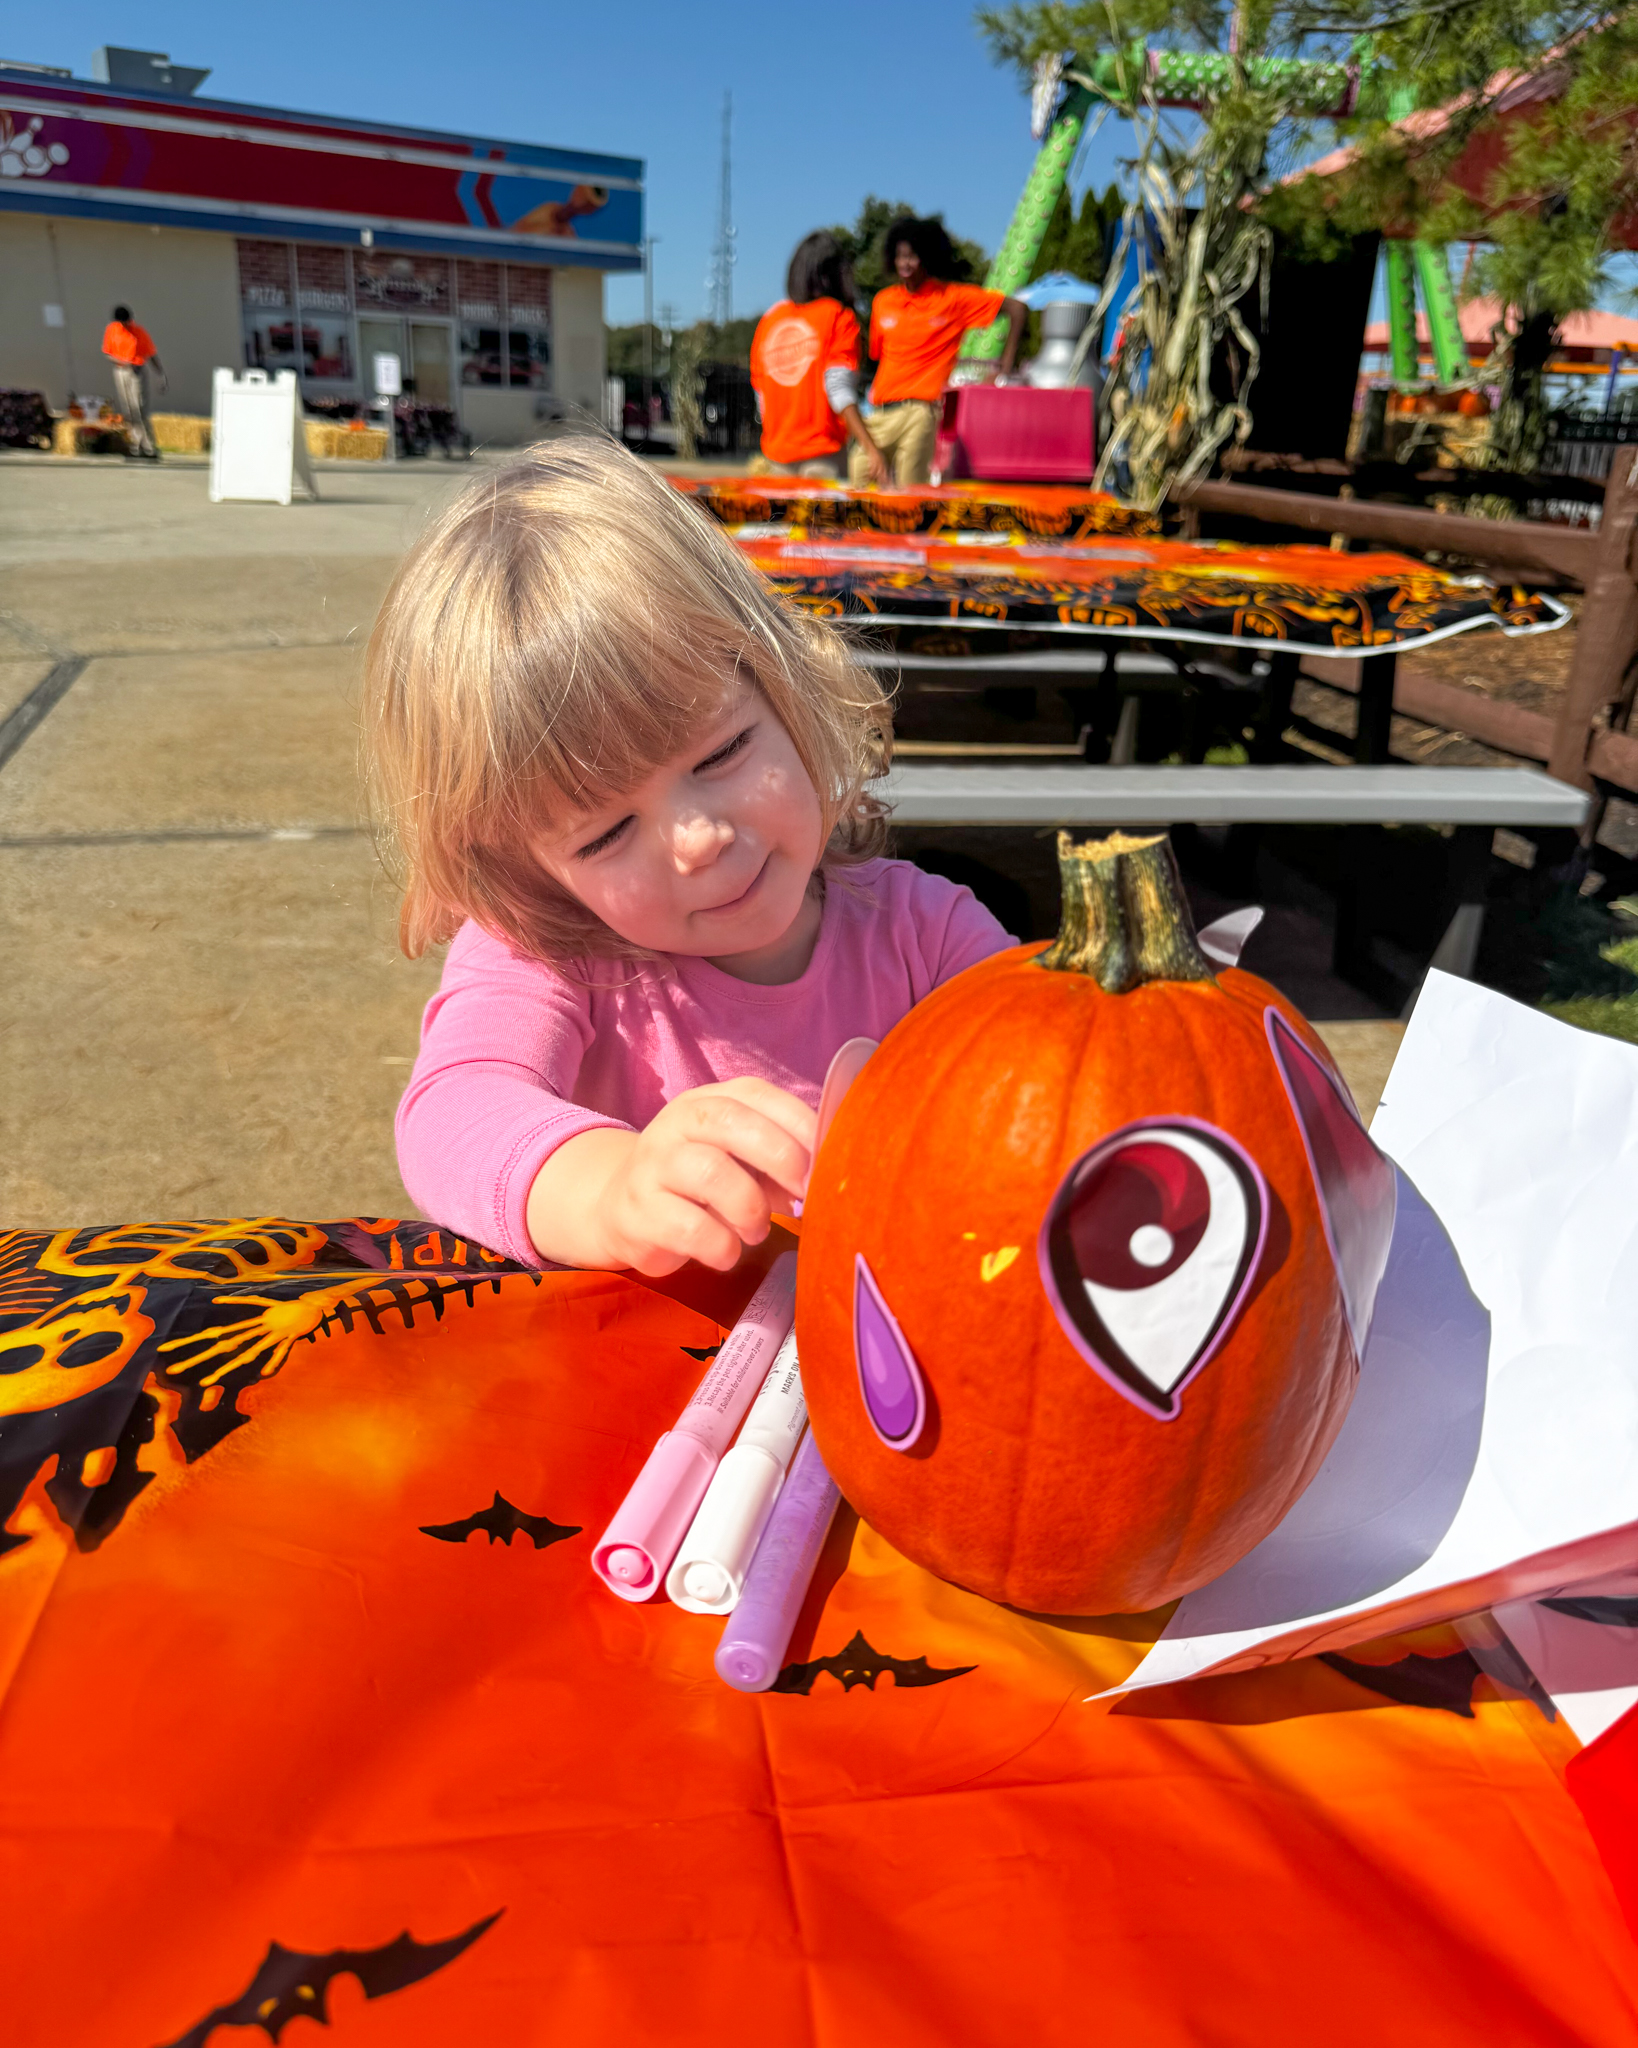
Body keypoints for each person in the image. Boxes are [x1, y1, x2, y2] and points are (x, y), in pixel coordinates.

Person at [363, 437, 1013, 1276]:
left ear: (784, 684)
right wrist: (607, 1189)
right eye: (605, 834)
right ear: (525, 866)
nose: (698, 839)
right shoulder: (554, 952)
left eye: (723, 753)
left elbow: (1056, 1080)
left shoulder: (928, 936)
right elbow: (454, 1112)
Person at [852, 217, 1026, 488]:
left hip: (921, 412)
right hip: (880, 412)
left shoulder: (952, 298)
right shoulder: (883, 301)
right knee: (857, 479)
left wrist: (1004, 369)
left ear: (927, 258)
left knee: (911, 495)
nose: (905, 263)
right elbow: (876, 355)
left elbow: (1016, 309)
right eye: (899, 256)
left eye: (912, 256)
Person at [749, 231, 888, 485]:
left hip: (776, 457)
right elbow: (839, 390)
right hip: (822, 457)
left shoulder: (770, 321)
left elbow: (762, 399)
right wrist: (871, 448)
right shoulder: (837, 317)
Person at [101, 304, 166, 461]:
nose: (124, 325)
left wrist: (160, 374)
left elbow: (151, 354)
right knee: (128, 410)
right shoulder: (112, 330)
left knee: (139, 408)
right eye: (121, 322)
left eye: (126, 321)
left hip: (136, 372)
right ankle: (135, 446)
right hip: (120, 371)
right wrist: (121, 361)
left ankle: (149, 447)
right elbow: (107, 353)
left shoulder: (139, 332)